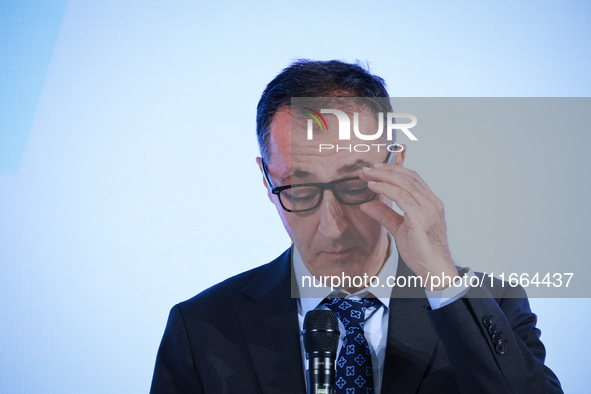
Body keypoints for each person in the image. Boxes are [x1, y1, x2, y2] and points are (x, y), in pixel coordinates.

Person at [150, 60, 563, 393]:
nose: (332, 228)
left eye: (354, 185)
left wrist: (442, 279)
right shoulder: (199, 328)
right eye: (300, 189)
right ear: (267, 179)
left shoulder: (493, 303)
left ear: (396, 166)